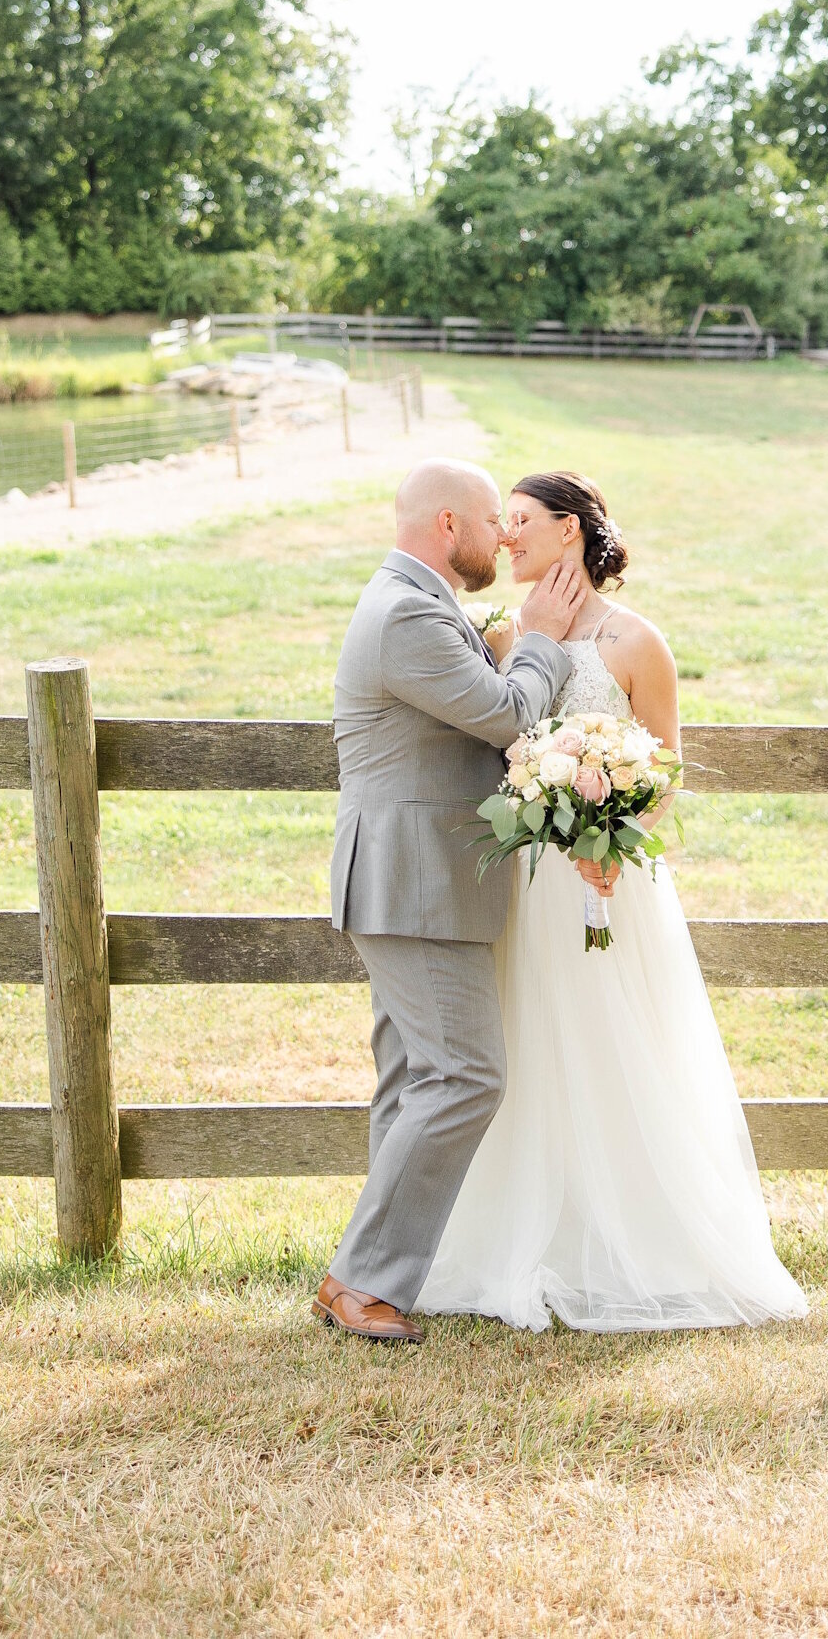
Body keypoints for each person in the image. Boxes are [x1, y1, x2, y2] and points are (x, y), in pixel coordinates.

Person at [417, 470, 807, 1331]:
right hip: (520, 882)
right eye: (500, 523)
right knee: (521, 1049)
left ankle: (630, 1239)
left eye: (520, 523)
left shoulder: (636, 643)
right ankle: (522, 1237)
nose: (505, 537)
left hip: (606, 885)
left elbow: (665, 768)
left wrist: (617, 846)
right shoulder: (500, 636)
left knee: (616, 1048)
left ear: (569, 532)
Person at [313, 459, 584, 1344]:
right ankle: (361, 1281)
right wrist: (540, 637)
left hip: (411, 882)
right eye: (487, 520)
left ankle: (374, 1276)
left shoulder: (419, 603)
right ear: (444, 527)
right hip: (415, 883)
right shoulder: (405, 616)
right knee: (469, 1076)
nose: (503, 538)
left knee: (411, 1082)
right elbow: (510, 717)